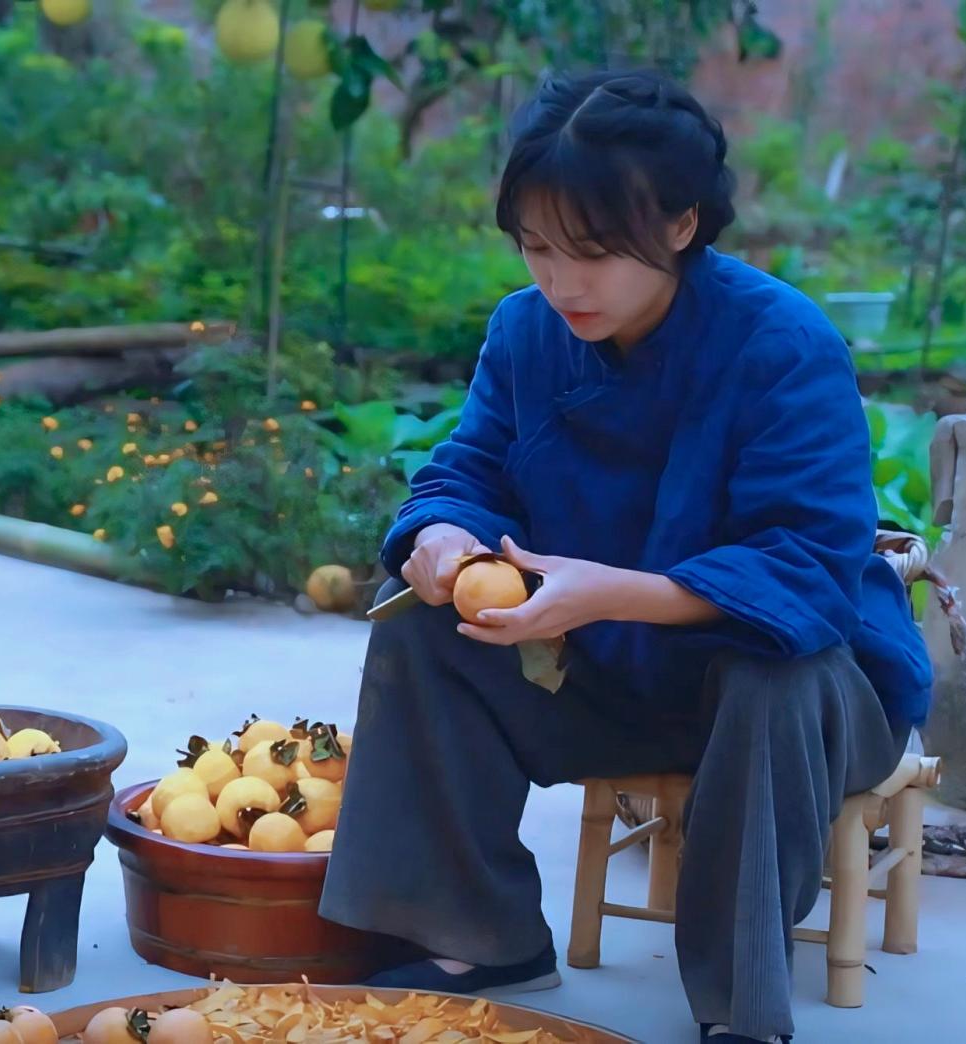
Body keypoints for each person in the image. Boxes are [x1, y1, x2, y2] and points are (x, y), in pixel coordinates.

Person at [320, 70, 931, 1044]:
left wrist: (619, 593)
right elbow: (464, 469)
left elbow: (810, 571)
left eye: (594, 253)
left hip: (805, 707)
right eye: (535, 248)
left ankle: (740, 1010)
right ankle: (477, 934)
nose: (561, 282)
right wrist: (444, 536)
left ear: (682, 225)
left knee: (772, 671)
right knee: (417, 614)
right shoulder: (526, 333)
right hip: (609, 672)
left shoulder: (785, 346)